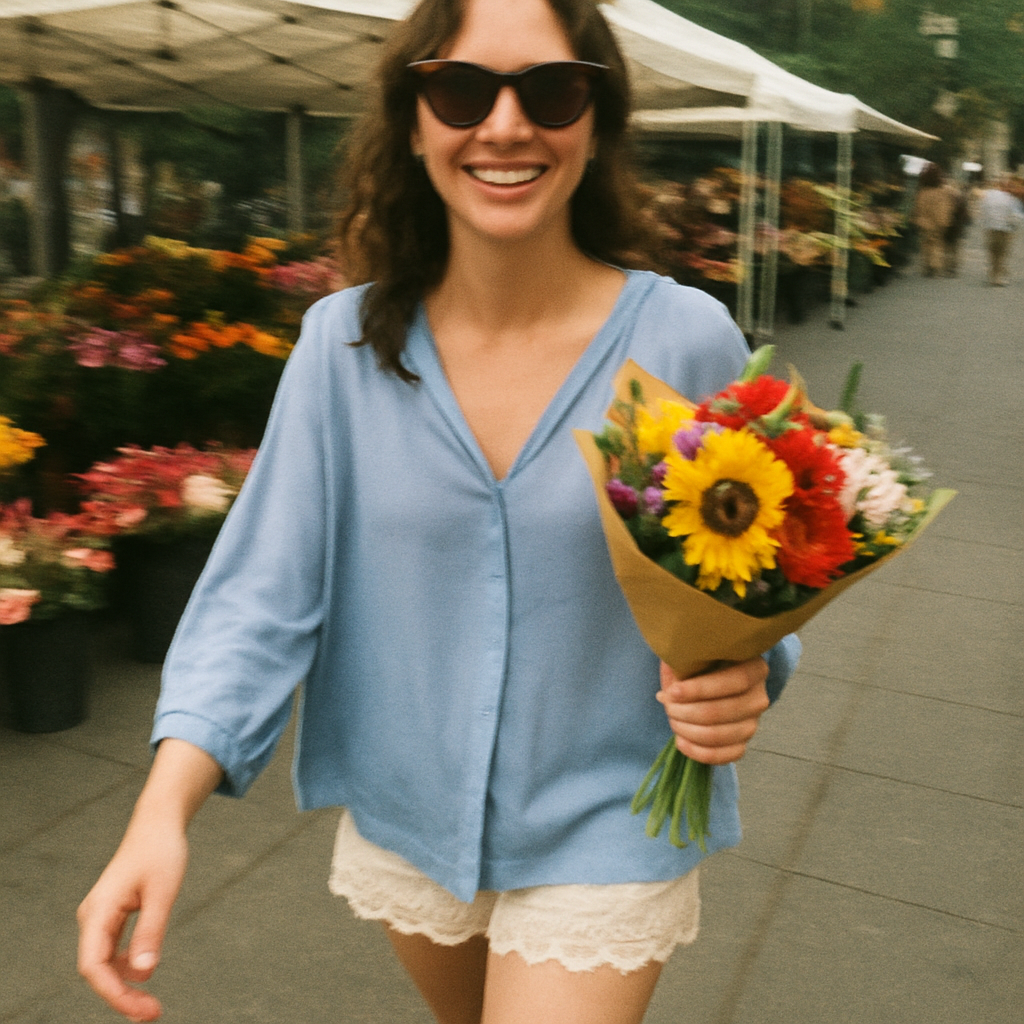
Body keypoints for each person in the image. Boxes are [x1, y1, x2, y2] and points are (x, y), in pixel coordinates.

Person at [76, 1, 800, 1022]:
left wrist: (745, 675)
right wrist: (161, 812)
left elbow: (761, 576)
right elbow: (260, 594)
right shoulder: (341, 348)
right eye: (461, 89)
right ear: (412, 120)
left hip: (611, 814)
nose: (505, 125)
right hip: (406, 818)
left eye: (548, 90)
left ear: (593, 117)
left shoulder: (686, 338)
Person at [976, 175, 1024, 286]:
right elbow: (1017, 215)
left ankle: (994, 273)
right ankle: (997, 277)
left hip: (990, 228)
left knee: (992, 253)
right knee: (1002, 254)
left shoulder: (988, 196)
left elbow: (982, 210)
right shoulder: (1011, 199)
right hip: (1005, 230)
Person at [912, 162, 955, 277]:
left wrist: (917, 218)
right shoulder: (942, 191)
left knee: (925, 244)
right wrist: (945, 221)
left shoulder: (922, 191)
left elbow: (918, 207)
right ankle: (934, 265)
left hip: (924, 221)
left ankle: (927, 266)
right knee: (937, 243)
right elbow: (945, 207)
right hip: (939, 221)